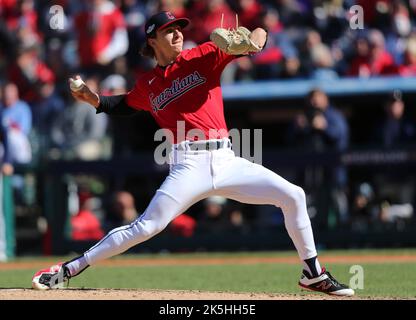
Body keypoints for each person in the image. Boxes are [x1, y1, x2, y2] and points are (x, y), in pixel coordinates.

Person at [32, 11, 353, 296]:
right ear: (152, 39)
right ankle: (68, 270)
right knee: (146, 227)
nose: (178, 33)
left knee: (293, 195)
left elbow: (260, 34)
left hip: (227, 160)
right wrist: (90, 96)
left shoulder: (205, 55)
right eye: (169, 30)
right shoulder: (148, 84)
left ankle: (313, 273)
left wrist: (255, 41)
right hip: (188, 164)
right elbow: (119, 105)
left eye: (180, 28)